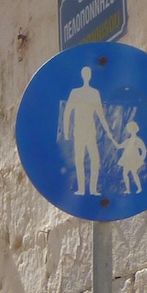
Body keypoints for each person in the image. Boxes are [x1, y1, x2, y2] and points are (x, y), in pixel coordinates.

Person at [62, 66, 113, 198]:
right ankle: (81, 189)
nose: (87, 76)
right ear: (84, 76)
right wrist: (66, 132)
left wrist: (108, 131)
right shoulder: (75, 93)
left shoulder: (95, 93)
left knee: (94, 159)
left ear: (89, 76)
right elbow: (67, 112)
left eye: (88, 73)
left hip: (90, 132)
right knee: (79, 160)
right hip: (79, 132)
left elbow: (101, 115)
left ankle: (93, 189)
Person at [117, 117, 146, 194]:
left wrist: (141, 158)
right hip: (127, 158)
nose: (129, 130)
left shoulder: (137, 140)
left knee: (134, 173)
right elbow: (119, 146)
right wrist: (112, 139)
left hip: (133, 159)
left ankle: (139, 188)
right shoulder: (128, 140)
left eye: (129, 128)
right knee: (125, 173)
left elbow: (144, 150)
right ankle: (128, 189)